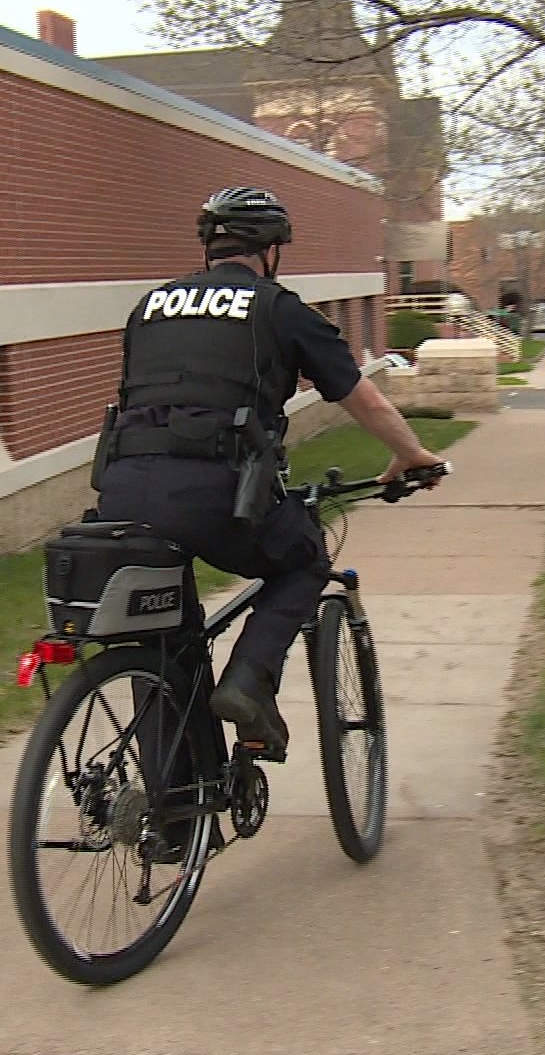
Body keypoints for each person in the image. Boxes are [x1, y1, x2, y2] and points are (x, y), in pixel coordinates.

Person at [92, 186, 445, 759]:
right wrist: (412, 454)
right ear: (272, 250)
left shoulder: (149, 308)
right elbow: (365, 400)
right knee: (303, 561)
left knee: (162, 639)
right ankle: (249, 680)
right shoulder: (279, 309)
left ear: (210, 244)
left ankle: (173, 814)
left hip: (122, 492)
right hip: (215, 492)